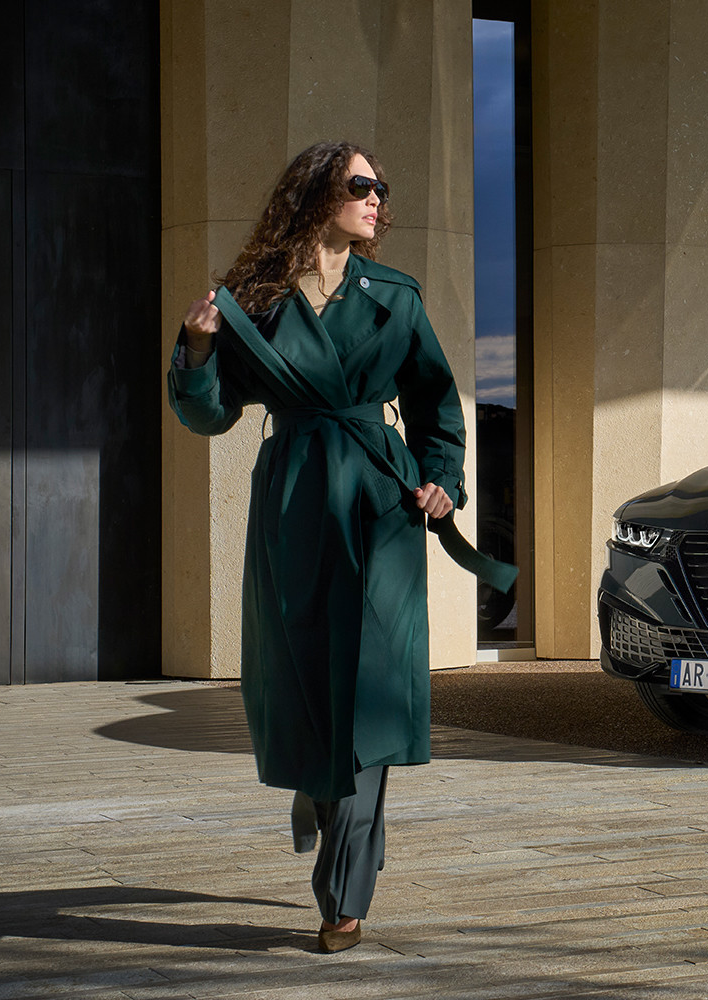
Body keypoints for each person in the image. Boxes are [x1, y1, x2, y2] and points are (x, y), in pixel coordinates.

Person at [166, 140, 512, 954]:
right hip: (293, 504)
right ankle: (324, 795)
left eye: (381, 189)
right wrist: (200, 349)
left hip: (379, 506)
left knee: (370, 686)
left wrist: (441, 481)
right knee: (302, 683)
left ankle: (344, 894)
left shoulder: (395, 295)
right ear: (317, 194)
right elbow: (208, 415)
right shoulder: (254, 300)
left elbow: (435, 405)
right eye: (361, 185)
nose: (376, 199)